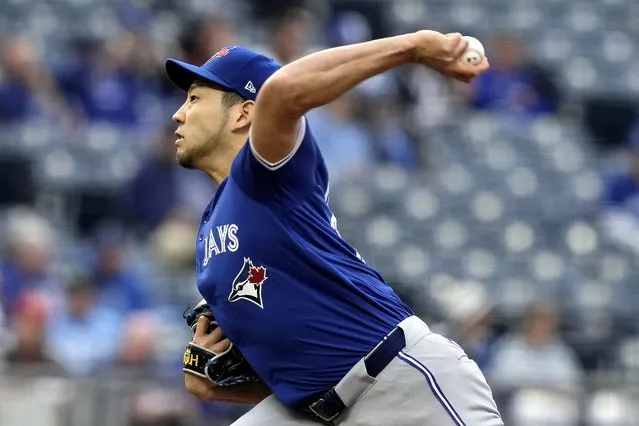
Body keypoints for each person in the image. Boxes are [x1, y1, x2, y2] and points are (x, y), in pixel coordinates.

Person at [165, 31, 502, 425]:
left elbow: (284, 91)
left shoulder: (268, 175)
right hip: (315, 409)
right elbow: (289, 371)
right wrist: (211, 381)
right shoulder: (210, 226)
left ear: (244, 113)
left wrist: (415, 47)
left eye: (193, 99)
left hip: (396, 382)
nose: (178, 113)